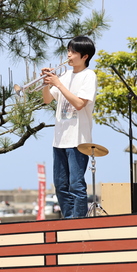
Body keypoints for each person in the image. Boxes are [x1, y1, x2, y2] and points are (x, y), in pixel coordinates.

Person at [41, 36, 97, 219]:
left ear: (84, 56)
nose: (69, 55)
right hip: (59, 140)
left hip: (78, 140)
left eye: (73, 52)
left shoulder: (89, 75)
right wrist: (45, 84)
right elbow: (47, 100)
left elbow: (80, 103)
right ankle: (67, 221)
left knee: (76, 185)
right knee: (60, 185)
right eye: (69, 51)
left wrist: (58, 84)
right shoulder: (65, 75)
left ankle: (78, 221)